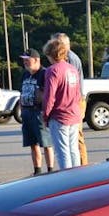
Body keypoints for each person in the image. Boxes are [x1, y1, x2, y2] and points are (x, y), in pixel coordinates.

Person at [42, 38, 82, 169]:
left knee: (62, 152)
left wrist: (45, 116)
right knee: (74, 150)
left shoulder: (52, 70)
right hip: (74, 114)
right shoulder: (72, 69)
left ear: (50, 54)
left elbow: (49, 96)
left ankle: (67, 182)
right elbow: (77, 94)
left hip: (59, 116)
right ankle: (77, 179)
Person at [51, 33, 88, 165]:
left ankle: (82, 167)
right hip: (74, 101)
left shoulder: (70, 59)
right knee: (72, 142)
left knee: (75, 139)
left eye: (56, 43)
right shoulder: (67, 58)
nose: (54, 46)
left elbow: (69, 84)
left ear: (65, 44)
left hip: (74, 101)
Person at [19, 48, 55, 175]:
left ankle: (50, 169)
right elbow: (21, 92)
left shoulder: (44, 73)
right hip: (27, 112)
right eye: (24, 60)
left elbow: (48, 94)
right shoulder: (25, 74)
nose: (25, 62)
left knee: (46, 143)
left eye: (27, 60)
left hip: (38, 112)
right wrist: (21, 108)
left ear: (36, 60)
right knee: (32, 143)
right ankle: (37, 170)